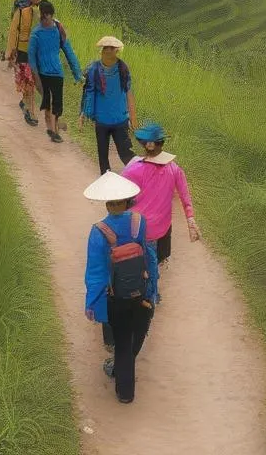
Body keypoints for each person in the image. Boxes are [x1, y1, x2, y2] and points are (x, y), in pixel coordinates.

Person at [83, 170, 159, 405]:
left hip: (115, 296)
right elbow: (149, 257)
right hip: (140, 290)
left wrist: (92, 304)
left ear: (107, 204)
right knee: (137, 333)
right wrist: (153, 289)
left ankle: (125, 392)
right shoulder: (139, 222)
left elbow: (95, 273)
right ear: (127, 201)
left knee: (123, 341)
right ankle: (119, 367)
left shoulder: (99, 232)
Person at [121, 122, 200, 298]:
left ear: (143, 145)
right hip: (158, 228)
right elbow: (185, 196)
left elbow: (121, 192)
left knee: (136, 259)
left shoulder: (134, 168)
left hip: (134, 224)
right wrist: (190, 219)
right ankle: (152, 294)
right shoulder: (175, 170)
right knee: (152, 261)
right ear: (161, 143)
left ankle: (137, 290)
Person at [80, 36, 137, 174]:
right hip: (102, 120)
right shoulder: (94, 69)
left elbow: (129, 93)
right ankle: (105, 188)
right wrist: (83, 114)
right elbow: (89, 92)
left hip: (120, 119)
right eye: (105, 48)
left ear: (116, 51)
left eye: (111, 49)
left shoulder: (123, 69)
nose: (107, 51)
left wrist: (133, 119)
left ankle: (142, 177)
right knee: (103, 156)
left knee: (126, 154)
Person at [27, 0, 82, 143]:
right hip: (43, 73)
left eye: (46, 16)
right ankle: (52, 129)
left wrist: (77, 74)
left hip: (57, 73)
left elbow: (69, 52)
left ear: (50, 15)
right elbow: (31, 58)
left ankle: (54, 128)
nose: (44, 18)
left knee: (57, 103)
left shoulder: (58, 30)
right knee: (48, 100)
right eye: (42, 16)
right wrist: (35, 76)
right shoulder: (36, 34)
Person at [6, 0, 53, 127]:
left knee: (35, 81)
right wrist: (10, 50)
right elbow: (13, 29)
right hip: (22, 49)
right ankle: (30, 111)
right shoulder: (20, 5)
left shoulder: (45, 6)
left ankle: (26, 102)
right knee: (28, 80)